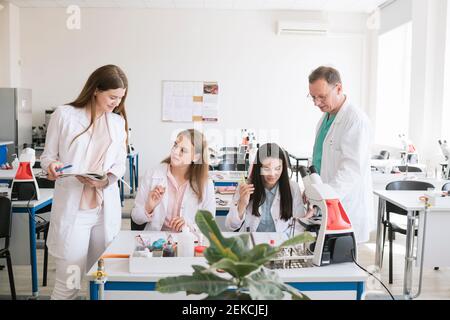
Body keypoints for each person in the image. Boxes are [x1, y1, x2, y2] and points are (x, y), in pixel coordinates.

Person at [40, 65, 128, 299]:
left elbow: (120, 164)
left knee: (101, 281)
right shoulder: (65, 115)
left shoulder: (117, 123)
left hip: (104, 210)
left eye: (120, 98)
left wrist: (105, 180)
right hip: (75, 211)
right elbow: (48, 156)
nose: (116, 103)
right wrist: (51, 166)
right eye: (112, 97)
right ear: (96, 90)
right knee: (69, 283)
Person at [308, 66, 373, 243]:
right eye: (313, 97)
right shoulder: (326, 118)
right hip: (327, 201)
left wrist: (325, 197)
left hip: (345, 205)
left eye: (322, 96)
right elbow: (319, 158)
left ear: (338, 88)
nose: (317, 102)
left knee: (343, 261)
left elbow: (351, 170)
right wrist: (312, 190)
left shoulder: (355, 120)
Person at [131, 129, 215, 232]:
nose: (175, 152)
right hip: (155, 243)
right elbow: (136, 218)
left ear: (195, 157)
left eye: (183, 150)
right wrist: (148, 208)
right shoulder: (152, 174)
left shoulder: (206, 184)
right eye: (175, 145)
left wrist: (188, 226)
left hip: (188, 242)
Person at [225, 143, 306, 234]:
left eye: (277, 168)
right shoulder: (245, 187)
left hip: (281, 244)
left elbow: (299, 227)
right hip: (252, 244)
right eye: (266, 169)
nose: (272, 174)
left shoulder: (293, 188)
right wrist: (242, 204)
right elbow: (231, 226)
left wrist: (285, 243)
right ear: (258, 168)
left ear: (283, 167)